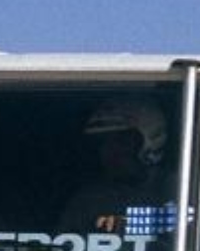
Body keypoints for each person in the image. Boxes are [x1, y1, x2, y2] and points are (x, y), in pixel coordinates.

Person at [56, 98, 172, 233]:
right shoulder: (90, 201)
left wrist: (125, 223)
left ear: (150, 140)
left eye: (122, 141)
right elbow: (62, 247)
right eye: (103, 142)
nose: (108, 151)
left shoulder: (179, 190)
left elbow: (189, 228)